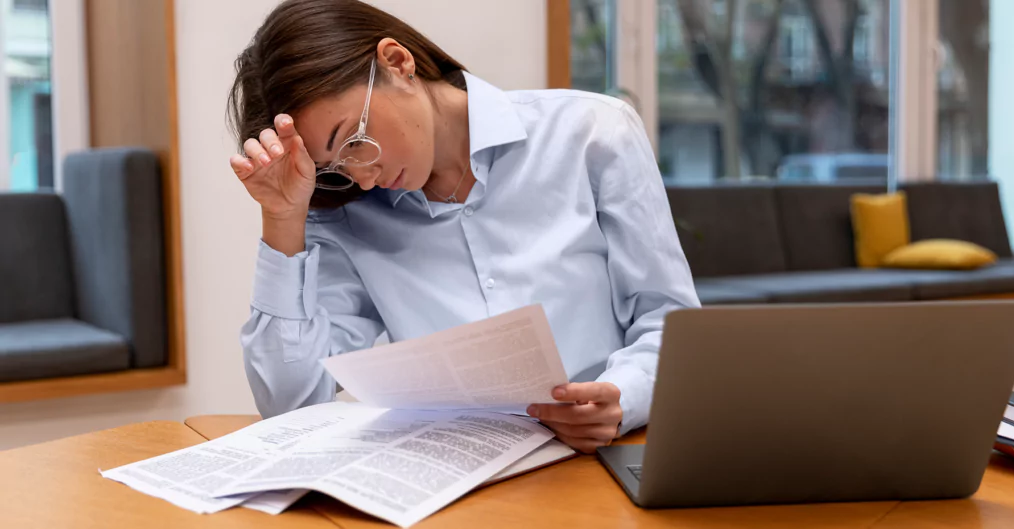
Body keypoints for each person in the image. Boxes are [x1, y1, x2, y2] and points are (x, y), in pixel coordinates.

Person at [228, 0, 699, 454]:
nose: (362, 175)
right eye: (335, 168)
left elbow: (669, 322)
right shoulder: (349, 213)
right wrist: (283, 219)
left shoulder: (592, 132)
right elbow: (290, 401)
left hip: (599, 463)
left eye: (353, 141)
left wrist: (620, 396)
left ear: (397, 62)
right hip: (451, 486)